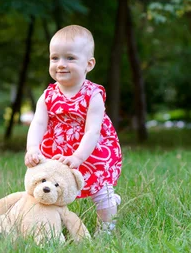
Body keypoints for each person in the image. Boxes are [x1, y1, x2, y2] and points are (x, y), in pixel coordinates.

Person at [24, 25, 122, 235]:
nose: (61, 64)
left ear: (89, 64)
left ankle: (106, 229)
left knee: (101, 191)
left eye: (70, 58)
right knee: (49, 189)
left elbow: (92, 132)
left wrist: (78, 156)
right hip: (57, 151)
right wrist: (32, 147)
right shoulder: (48, 95)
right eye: (55, 58)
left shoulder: (92, 96)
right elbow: (38, 123)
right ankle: (46, 227)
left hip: (90, 151)